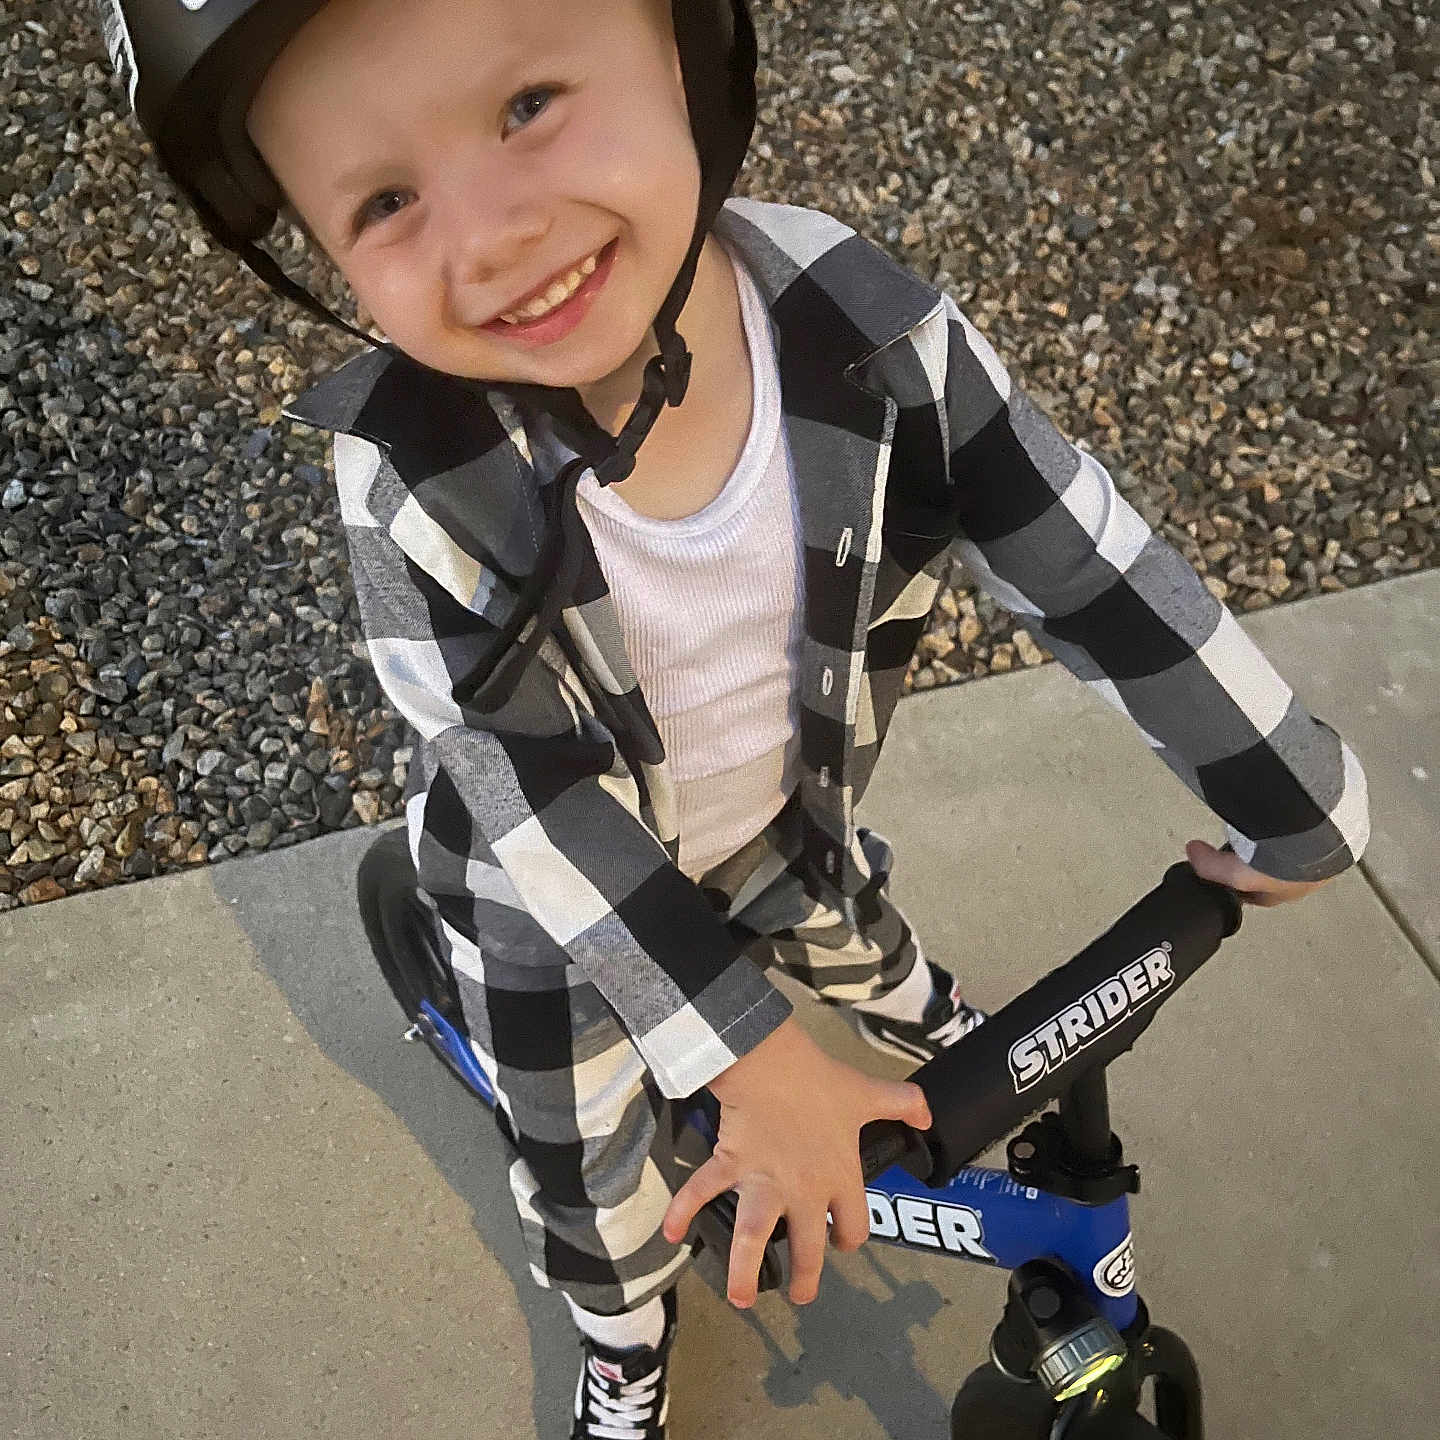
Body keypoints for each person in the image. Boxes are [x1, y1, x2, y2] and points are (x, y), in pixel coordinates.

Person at [95, 1, 1370, 1434]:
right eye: (385, 200)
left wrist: (1286, 790)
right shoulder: (417, 480)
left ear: (692, 48)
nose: (494, 237)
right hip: (554, 918)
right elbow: (530, 794)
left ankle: (891, 1027)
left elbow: (1077, 553)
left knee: (889, 973)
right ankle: (625, 1345)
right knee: (600, 1193)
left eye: (528, 106)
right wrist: (750, 1053)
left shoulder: (858, 328)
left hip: (783, 831)